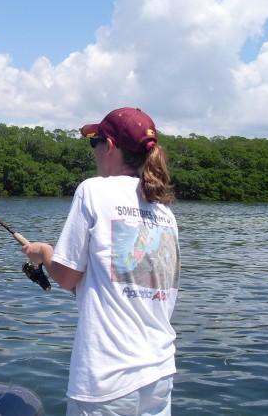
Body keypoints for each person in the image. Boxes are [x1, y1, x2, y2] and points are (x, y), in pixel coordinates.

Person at [23, 107, 181, 416]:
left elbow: (68, 278)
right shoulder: (165, 213)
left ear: (109, 146)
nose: (93, 151)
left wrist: (43, 253)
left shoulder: (93, 191)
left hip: (107, 378)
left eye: (94, 143)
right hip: (159, 375)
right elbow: (127, 285)